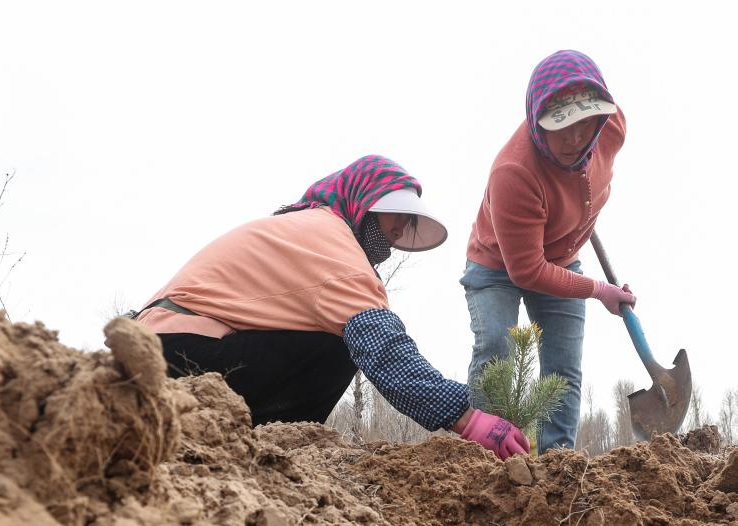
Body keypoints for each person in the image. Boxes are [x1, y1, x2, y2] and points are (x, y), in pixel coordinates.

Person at [134, 154, 529, 460]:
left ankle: (251, 439)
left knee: (332, 335)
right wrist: (467, 417)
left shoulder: (306, 227)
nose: (398, 231)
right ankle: (273, 445)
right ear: (364, 202)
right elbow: (385, 351)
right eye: (394, 215)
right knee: (341, 343)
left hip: (159, 346)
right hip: (180, 357)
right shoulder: (332, 246)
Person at [461, 49, 637, 453]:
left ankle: (558, 466)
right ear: (538, 122)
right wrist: (598, 289)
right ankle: (482, 457)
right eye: (561, 128)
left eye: (583, 124)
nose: (575, 139)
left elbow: (594, 133)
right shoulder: (514, 172)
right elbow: (526, 270)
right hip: (497, 265)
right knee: (495, 352)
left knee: (563, 369)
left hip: (560, 258)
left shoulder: (610, 129)